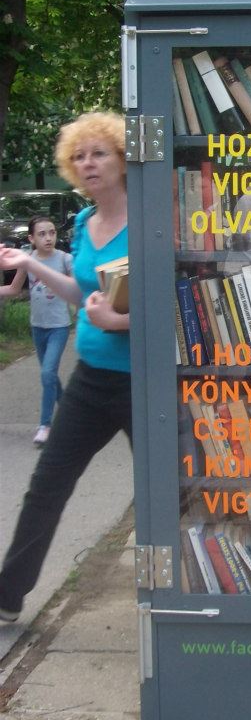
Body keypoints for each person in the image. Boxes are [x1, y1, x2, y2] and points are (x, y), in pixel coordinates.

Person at [0, 112, 130, 623]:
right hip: (90, 379)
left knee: (173, 488)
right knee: (47, 484)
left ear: (123, 157)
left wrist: (118, 321)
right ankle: (8, 596)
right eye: (79, 156)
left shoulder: (150, 218)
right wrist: (30, 265)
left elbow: (175, 303)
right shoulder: (82, 223)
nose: (88, 163)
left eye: (99, 152)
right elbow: (82, 293)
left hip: (145, 383)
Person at [0, 215, 73, 445]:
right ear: (31, 239)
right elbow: (14, 288)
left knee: (47, 373)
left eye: (52, 232)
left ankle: (45, 425)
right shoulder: (28, 260)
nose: (48, 238)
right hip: (37, 327)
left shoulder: (65, 260)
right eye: (42, 234)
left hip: (59, 327)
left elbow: (78, 289)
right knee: (49, 376)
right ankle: (70, 414)